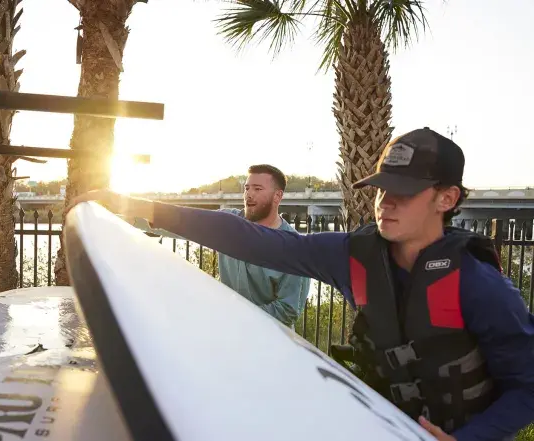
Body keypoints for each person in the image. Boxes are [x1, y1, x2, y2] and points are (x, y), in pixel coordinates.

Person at [70, 127, 534, 441]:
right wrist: (137, 205)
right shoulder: (353, 256)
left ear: (446, 199)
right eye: (381, 188)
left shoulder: (479, 285)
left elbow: (528, 388)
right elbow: (251, 240)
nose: (385, 203)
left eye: (405, 192)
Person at [132, 164, 310, 328]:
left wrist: (236, 317)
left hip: (269, 343)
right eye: (247, 188)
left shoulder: (292, 247)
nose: (249, 194)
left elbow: (287, 310)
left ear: (277, 196)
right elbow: (186, 224)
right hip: (224, 334)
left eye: (258, 189)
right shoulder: (229, 223)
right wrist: (128, 214)